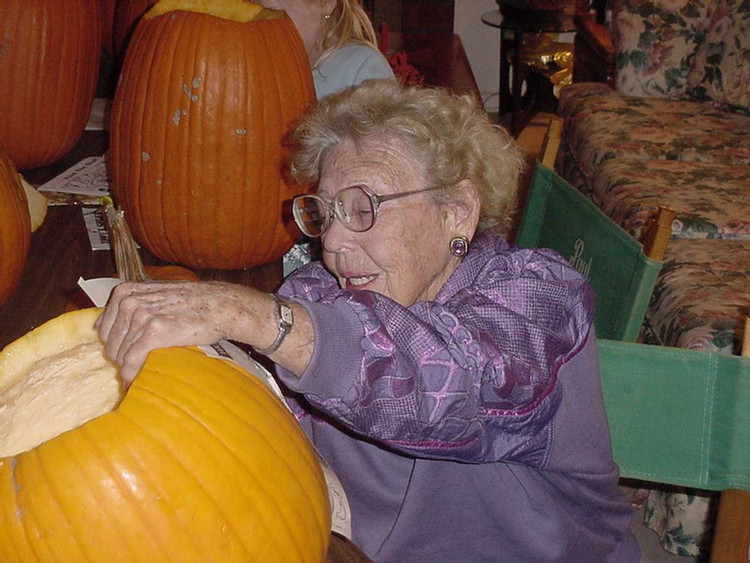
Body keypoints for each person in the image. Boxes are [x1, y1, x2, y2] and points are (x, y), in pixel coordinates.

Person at [97, 80, 641, 563]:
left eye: (363, 209)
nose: (331, 242)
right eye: (325, 212)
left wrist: (247, 314)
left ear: (456, 211)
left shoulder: (539, 298)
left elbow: (444, 385)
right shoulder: (318, 294)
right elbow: (257, 425)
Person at [260, 0, 395, 275]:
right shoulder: (260, 66)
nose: (267, 27)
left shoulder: (362, 69)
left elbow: (377, 179)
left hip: (331, 240)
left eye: (277, 15)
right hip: (262, 235)